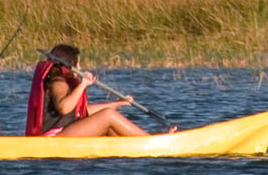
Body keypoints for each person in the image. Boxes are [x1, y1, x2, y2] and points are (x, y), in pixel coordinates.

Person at [25, 44, 172, 137]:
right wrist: (83, 84)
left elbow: (85, 111)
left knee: (109, 125)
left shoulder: (66, 82)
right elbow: (64, 108)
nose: (80, 68)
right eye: (78, 64)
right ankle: (151, 141)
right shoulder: (58, 82)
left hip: (64, 132)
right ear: (70, 65)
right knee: (108, 116)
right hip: (54, 137)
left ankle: (134, 147)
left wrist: (118, 104)